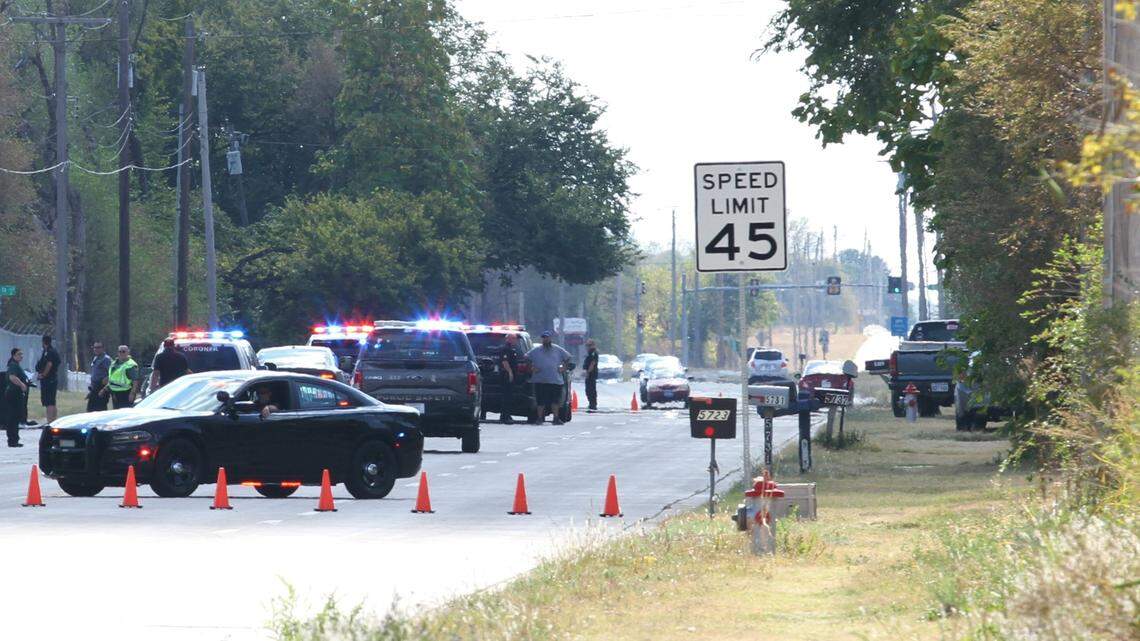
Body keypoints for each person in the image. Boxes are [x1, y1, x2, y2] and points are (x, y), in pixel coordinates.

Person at [525, 331, 571, 425]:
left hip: (555, 380)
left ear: (550, 338)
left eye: (547, 337)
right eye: (544, 338)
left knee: (555, 401)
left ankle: (556, 418)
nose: (545, 339)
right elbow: (526, 357)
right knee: (540, 401)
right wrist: (532, 368)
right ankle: (539, 418)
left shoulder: (557, 349)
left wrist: (563, 367)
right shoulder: (536, 350)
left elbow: (568, 357)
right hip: (540, 380)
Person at [3, 348, 29, 447]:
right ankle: (12, 440)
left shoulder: (16, 365)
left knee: (16, 416)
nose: (21, 356)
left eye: (22, 354)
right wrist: (22, 384)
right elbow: (12, 377)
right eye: (19, 354)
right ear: (14, 355)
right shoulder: (13, 365)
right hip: (13, 393)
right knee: (13, 416)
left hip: (17, 393)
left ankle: (14, 439)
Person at [36, 333, 61, 423]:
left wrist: (43, 375)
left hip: (49, 380)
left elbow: (49, 364)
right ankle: (54, 421)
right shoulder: (50, 351)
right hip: (52, 379)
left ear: (43, 342)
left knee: (49, 402)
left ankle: (50, 421)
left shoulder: (50, 352)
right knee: (52, 402)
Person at [104, 345, 140, 409]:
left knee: (125, 413)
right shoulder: (114, 363)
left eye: (123, 351)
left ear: (128, 352)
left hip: (126, 394)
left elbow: (135, 381)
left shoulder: (130, 365)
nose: (121, 353)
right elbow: (112, 379)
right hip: (115, 394)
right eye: (119, 351)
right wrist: (104, 389)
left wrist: (132, 393)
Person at [498, 334, 520, 424]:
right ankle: (506, 416)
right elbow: (505, 362)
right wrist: (510, 372)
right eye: (514, 338)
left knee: (509, 396)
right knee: (507, 396)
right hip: (506, 375)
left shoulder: (511, 349)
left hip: (509, 375)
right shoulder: (506, 349)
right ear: (508, 339)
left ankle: (504, 415)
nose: (515, 340)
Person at [87, 341, 113, 412]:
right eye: (95, 347)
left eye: (98, 347)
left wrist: (104, 389)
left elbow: (113, 374)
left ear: (103, 348)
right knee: (90, 411)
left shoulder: (106, 359)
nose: (96, 349)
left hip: (102, 388)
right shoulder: (95, 358)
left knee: (100, 411)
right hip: (94, 388)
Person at [582, 338, 599, 412]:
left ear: (593, 345)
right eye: (587, 345)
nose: (587, 347)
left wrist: (588, 372)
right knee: (588, 389)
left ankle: (593, 404)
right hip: (590, 372)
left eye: (589, 345)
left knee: (591, 389)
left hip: (591, 373)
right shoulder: (590, 352)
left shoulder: (593, 353)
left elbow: (592, 363)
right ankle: (591, 403)